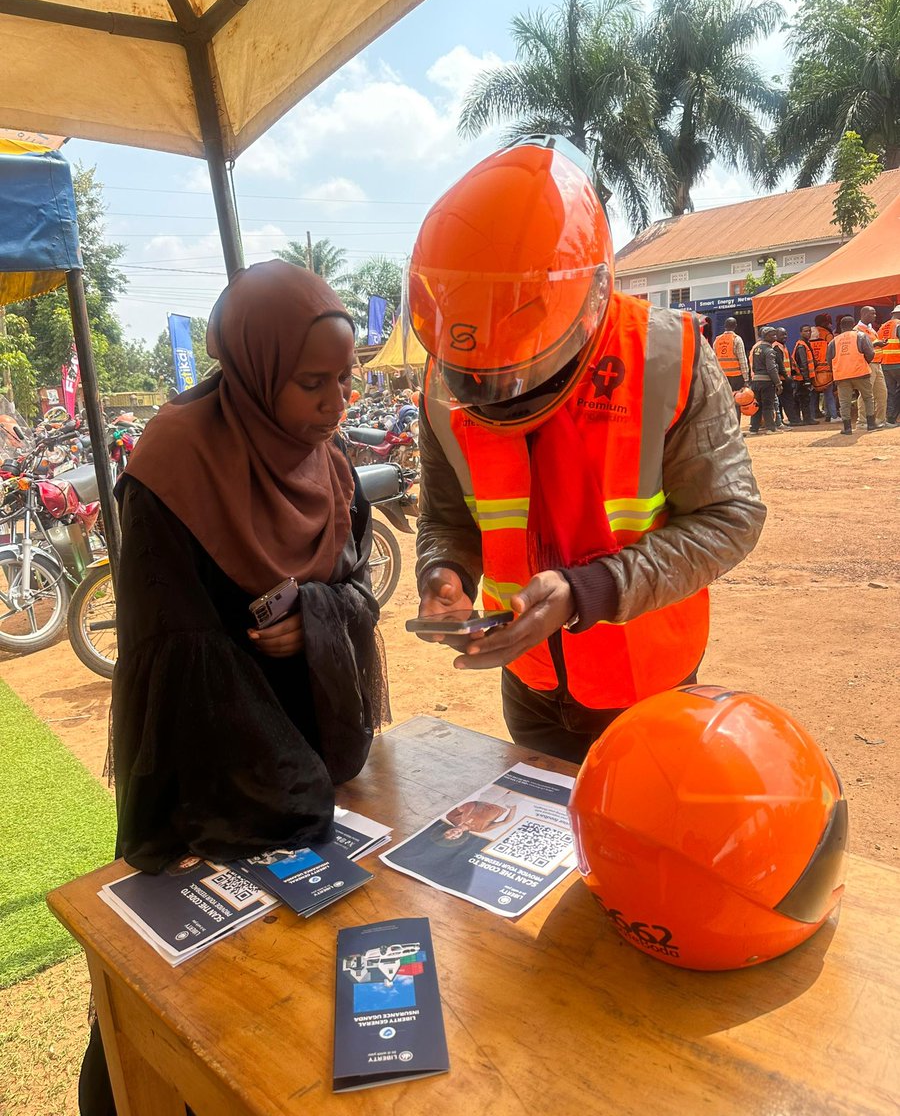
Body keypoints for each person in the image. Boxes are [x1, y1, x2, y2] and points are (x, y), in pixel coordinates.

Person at [78, 261, 389, 1116]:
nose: (335, 403)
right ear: (252, 372)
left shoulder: (328, 467)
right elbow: (176, 657)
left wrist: (316, 619)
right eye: (312, 383)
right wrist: (286, 791)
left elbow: (359, 592)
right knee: (184, 1007)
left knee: (302, 1014)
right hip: (211, 775)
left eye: (346, 378)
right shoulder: (173, 465)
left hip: (313, 751)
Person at [408, 136, 765, 764]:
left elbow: (731, 515)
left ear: (588, 298)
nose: (497, 393)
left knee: (643, 838)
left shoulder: (666, 358)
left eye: (519, 368)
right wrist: (446, 572)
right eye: (482, 375)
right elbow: (446, 517)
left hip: (647, 682)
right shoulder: (444, 386)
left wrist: (594, 588)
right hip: (531, 682)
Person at [827, 314, 875, 435]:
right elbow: (870, 353)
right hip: (861, 373)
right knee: (868, 398)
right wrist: (864, 362)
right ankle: (871, 425)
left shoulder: (833, 341)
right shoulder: (860, 336)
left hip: (842, 376)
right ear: (853, 325)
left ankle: (847, 428)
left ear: (841, 327)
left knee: (844, 402)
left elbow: (829, 360)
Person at [854, 307, 887, 429]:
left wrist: (880, 343)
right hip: (867, 364)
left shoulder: (871, 329)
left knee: (882, 393)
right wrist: (876, 344)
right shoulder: (857, 330)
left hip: (878, 364)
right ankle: (862, 421)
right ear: (864, 314)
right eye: (872, 313)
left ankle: (880, 420)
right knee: (866, 394)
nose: (875, 316)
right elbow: (859, 348)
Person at [748, 327, 782, 434]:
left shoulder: (756, 349)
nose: (775, 337)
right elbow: (771, 368)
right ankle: (771, 428)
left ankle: (754, 429)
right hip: (767, 382)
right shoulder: (769, 351)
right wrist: (778, 383)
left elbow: (753, 367)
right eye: (772, 335)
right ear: (765, 336)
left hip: (756, 381)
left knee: (757, 406)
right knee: (768, 406)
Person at [809, 315, 837, 421]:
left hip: (812, 371)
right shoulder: (828, 335)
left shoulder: (809, 336)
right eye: (828, 322)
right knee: (829, 394)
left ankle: (812, 416)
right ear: (824, 323)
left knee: (813, 395)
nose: (830, 324)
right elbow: (832, 352)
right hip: (826, 371)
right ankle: (831, 415)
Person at [712, 317, 749, 391]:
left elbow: (713, 360)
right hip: (736, 377)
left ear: (725, 326)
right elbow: (742, 360)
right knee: (736, 399)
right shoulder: (736, 339)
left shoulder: (717, 340)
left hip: (722, 376)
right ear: (735, 326)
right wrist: (746, 379)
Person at [791, 325, 818, 424]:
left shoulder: (805, 344)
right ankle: (806, 419)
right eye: (806, 331)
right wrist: (807, 380)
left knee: (801, 398)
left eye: (809, 331)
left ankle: (800, 419)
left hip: (802, 377)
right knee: (804, 399)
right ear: (800, 333)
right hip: (801, 378)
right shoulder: (801, 346)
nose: (808, 333)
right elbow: (803, 363)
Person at [773, 328, 800, 427]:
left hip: (785, 377)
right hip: (782, 379)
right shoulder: (777, 347)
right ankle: (793, 420)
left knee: (784, 400)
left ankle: (784, 420)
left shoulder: (782, 346)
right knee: (787, 400)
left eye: (785, 334)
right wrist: (786, 376)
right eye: (782, 335)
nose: (784, 337)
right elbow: (779, 364)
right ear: (776, 335)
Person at [880, 304, 900, 424]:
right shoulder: (898, 324)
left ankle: (891, 418)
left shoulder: (883, 327)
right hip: (897, 362)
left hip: (885, 363)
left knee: (891, 391)